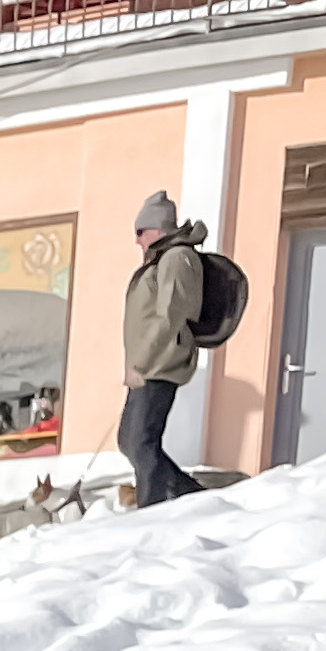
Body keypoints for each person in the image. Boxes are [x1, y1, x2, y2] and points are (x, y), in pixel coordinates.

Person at [119, 190, 207, 507]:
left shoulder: (176, 258)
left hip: (160, 363)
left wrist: (141, 362)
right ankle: (194, 496)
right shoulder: (163, 258)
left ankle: (152, 509)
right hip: (147, 364)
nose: (137, 240)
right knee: (129, 441)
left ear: (156, 229)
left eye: (140, 232)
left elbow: (170, 315)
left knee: (141, 443)